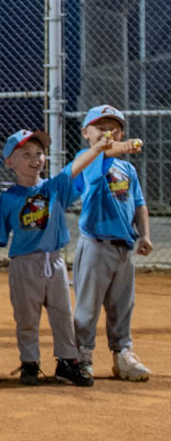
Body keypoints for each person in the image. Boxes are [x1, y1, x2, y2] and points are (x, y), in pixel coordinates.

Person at [0, 130, 122, 387]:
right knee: (26, 317)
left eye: (39, 153)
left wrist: (97, 148)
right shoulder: (8, 198)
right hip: (24, 265)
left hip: (54, 263)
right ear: (9, 162)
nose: (35, 159)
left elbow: (75, 167)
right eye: (26, 155)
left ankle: (67, 361)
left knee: (62, 315)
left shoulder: (54, 188)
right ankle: (30, 362)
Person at [71, 105, 154, 381]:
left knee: (122, 306)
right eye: (101, 128)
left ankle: (123, 355)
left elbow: (139, 204)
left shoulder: (127, 168)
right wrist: (123, 146)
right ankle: (82, 356)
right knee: (87, 307)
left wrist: (144, 235)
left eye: (114, 129)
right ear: (85, 133)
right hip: (96, 246)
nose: (108, 133)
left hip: (124, 247)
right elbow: (103, 153)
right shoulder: (87, 159)